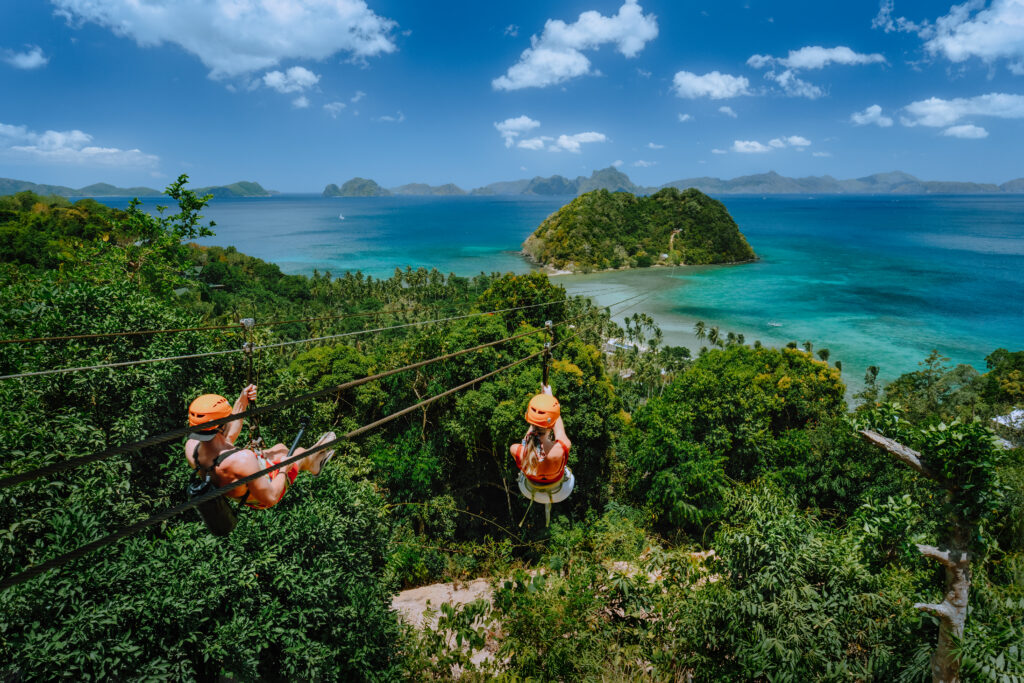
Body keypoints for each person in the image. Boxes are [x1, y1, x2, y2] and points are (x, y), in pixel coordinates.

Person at [184, 385, 336, 510]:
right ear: (221, 427)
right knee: (298, 454)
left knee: (281, 448)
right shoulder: (243, 460)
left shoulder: (192, 448)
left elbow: (228, 438)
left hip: (235, 484)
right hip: (261, 496)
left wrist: (242, 401)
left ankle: (312, 459)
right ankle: (313, 463)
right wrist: (284, 469)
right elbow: (271, 498)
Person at [509, 385, 572, 488]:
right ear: (552, 424)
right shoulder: (562, 448)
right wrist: (550, 399)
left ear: (529, 418)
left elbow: (526, 443)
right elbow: (559, 430)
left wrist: (539, 414)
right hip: (555, 480)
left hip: (533, 482)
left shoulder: (515, 450)